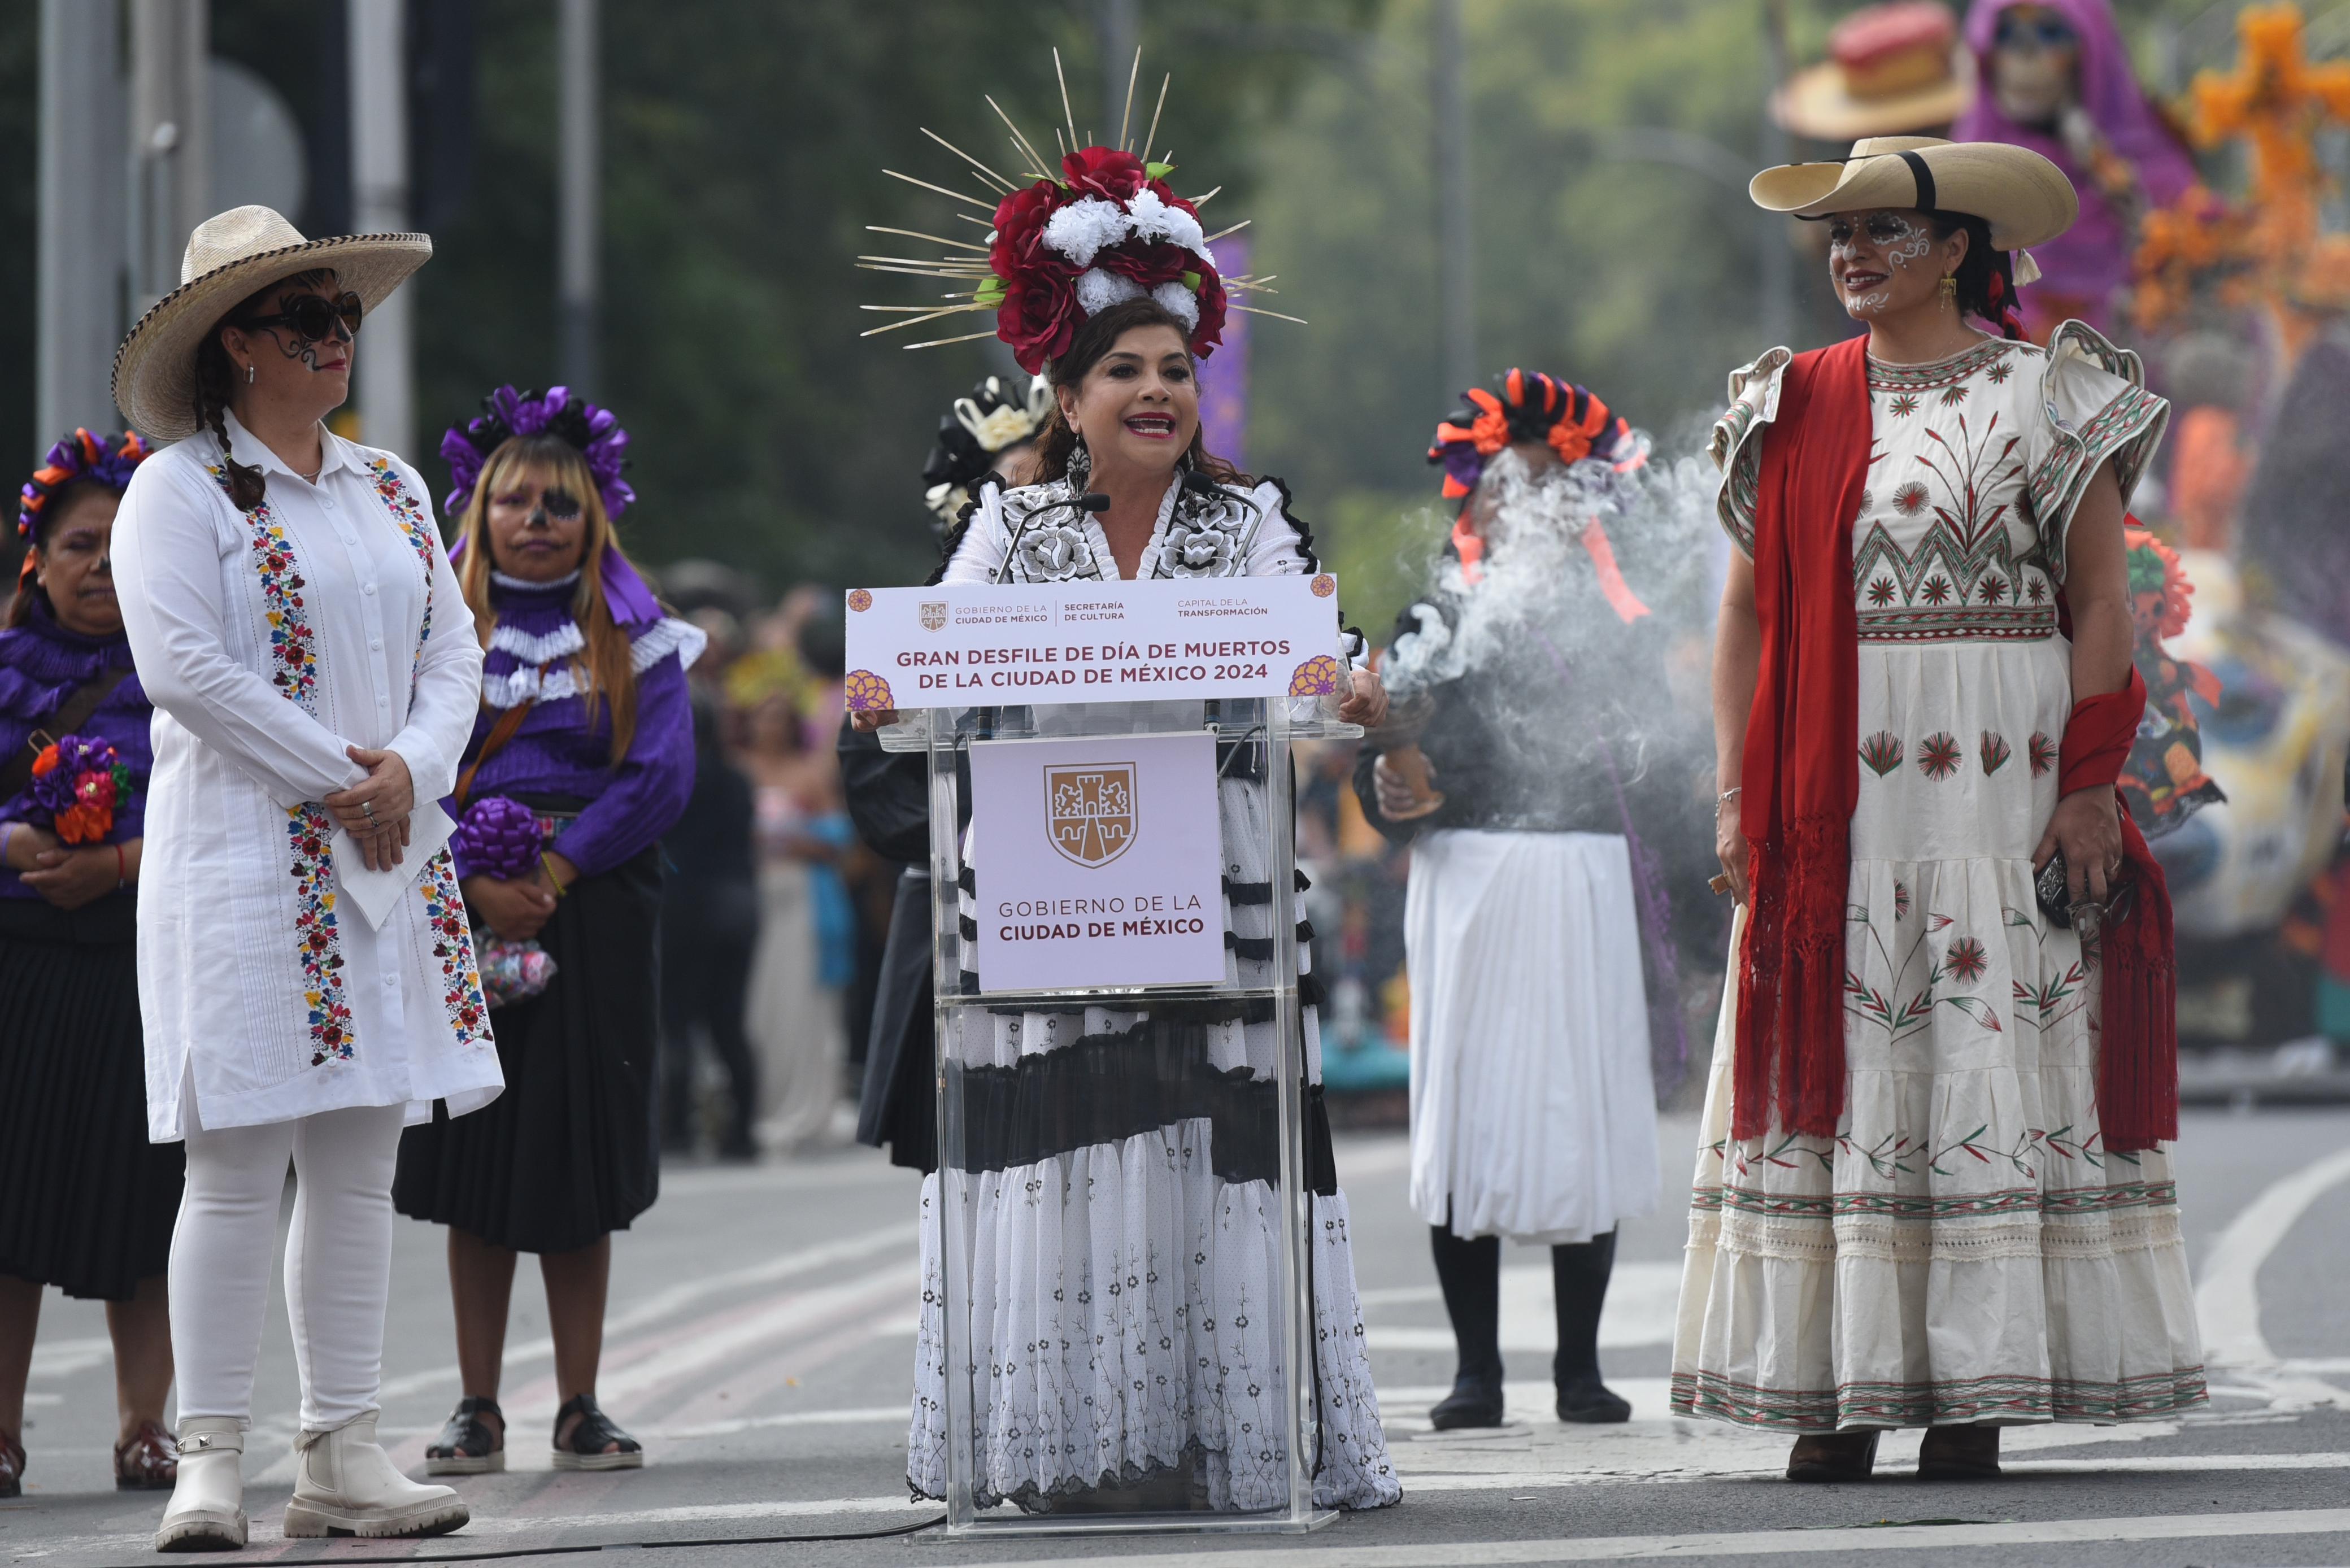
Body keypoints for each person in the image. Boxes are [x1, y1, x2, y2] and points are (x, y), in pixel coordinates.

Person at [859, 104, 1403, 1504]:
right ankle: (1068, 1450)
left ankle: (1225, 1435)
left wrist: (1348, 695)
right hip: (1046, 876)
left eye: (1175, 369)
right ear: (1069, 392)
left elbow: (1300, 682)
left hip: (1207, 867)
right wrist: (886, 698)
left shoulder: (1246, 522)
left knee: (1203, 1145)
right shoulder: (1012, 525)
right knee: (1063, 1134)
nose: (1157, 391)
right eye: (1124, 370)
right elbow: (936, 694)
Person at [1680, 138, 2203, 1483]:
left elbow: (2101, 598)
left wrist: (2091, 783)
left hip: (1993, 795)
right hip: (1832, 808)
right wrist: (1734, 787)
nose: (1852, 253)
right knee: (1846, 1058)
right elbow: (1743, 614)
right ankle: (1831, 1389)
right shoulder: (1786, 402)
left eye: (1884, 232)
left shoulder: (2047, 395)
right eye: (1837, 234)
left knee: (1970, 1040)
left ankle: (1970, 1388)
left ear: (1960, 246)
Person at [110, 205, 493, 1549]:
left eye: (343, 317)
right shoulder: (176, 489)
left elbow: (457, 655)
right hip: (242, 867)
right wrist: (351, 772)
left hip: (384, 860)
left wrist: (413, 772)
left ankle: (341, 1442)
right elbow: (185, 671)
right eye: (303, 321)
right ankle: (209, 1453)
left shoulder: (389, 486)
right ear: (233, 348)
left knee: (358, 1168)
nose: (336, 340)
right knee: (231, 1165)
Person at [1352, 371, 1676, 1431]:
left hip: (1580, 875)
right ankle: (1475, 1372)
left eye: (1550, 488)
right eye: (1508, 487)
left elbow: (1658, 772)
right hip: (1469, 878)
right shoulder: (1433, 613)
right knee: (1472, 1121)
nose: (1528, 507)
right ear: (1473, 499)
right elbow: (1387, 775)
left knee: (1580, 1110)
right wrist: (1391, 783)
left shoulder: (1615, 619)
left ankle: (1579, 1368)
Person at [392, 386, 701, 1476]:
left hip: (598, 906)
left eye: (558, 504)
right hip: (457, 900)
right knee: (474, 1158)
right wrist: (475, 884)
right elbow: (400, 764)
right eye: (513, 500)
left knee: (578, 1156)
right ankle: (476, 1403)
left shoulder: (639, 631)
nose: (535, 520)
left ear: (593, 515)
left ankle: (580, 1401)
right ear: (474, 512)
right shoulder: (430, 630)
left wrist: (559, 866)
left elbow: (662, 776)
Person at [0, 430, 182, 1500]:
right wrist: (14, 848)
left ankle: (146, 1427)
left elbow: (228, 815)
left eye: (122, 548)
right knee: (9, 1210)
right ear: (37, 555)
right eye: (79, 544)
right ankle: (4, 1436)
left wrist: (120, 861)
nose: (98, 567)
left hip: (137, 958)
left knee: (144, 1202)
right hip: (19, 960)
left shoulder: (181, 673)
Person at [845, 372, 1053, 1176]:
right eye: (1012, 486)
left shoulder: (1121, 612)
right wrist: (985, 835)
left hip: (1096, 908)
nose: (1033, 500)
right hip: (958, 914)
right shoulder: (925, 623)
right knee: (965, 1173)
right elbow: (876, 788)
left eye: (1050, 479)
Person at [1952, 0, 2197, 336]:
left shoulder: (2152, 173)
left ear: (2093, 51)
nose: (2026, 54)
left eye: (2050, 33)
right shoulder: (1958, 183)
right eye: (2006, 34)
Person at [659, 690, 760, 1158]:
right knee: (729, 1023)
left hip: (681, 911)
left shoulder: (668, 779)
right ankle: (742, 1128)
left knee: (675, 1022)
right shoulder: (737, 779)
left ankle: (675, 1127)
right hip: (736, 910)